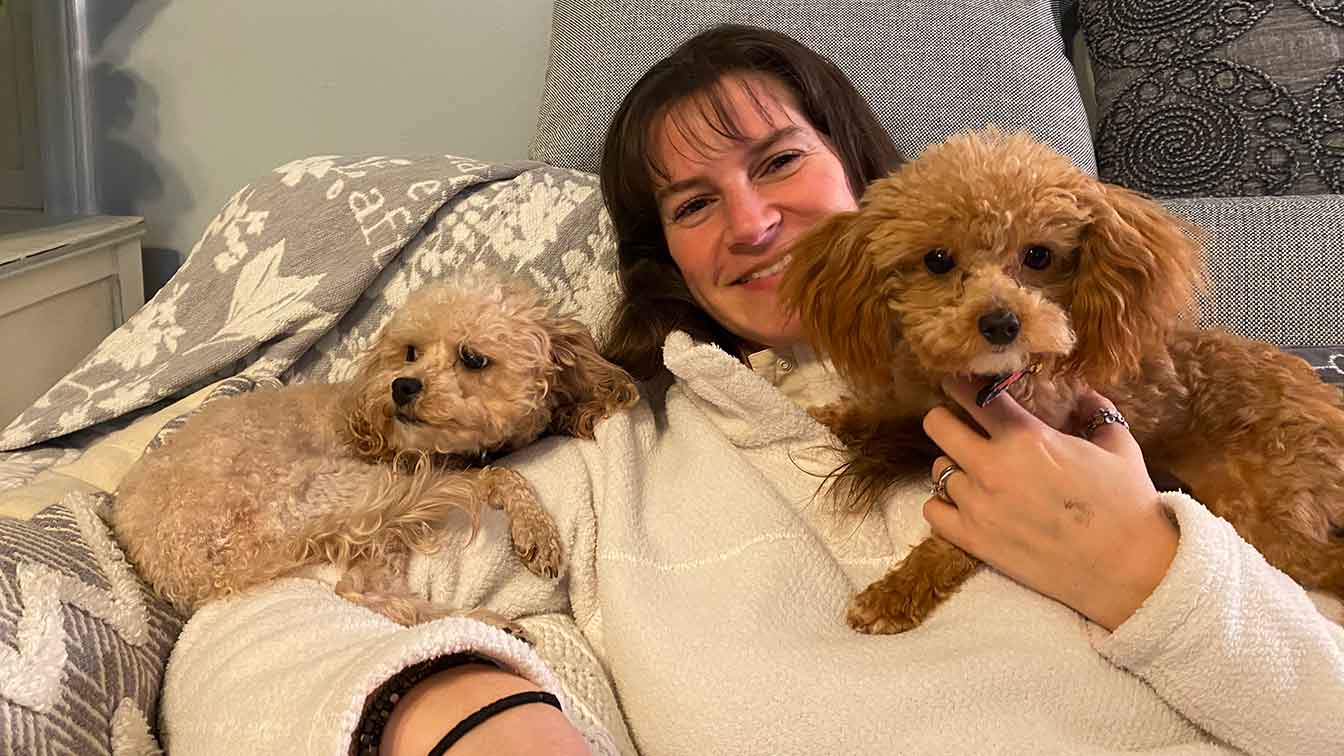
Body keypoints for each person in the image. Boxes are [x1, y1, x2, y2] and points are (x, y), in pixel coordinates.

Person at [161, 24, 1344, 756]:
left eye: (780, 162)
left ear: (873, 177)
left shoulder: (1099, 373)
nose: (753, 221)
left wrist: (1152, 574)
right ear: (662, 258)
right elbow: (261, 621)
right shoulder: (613, 449)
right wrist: (453, 709)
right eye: (690, 205)